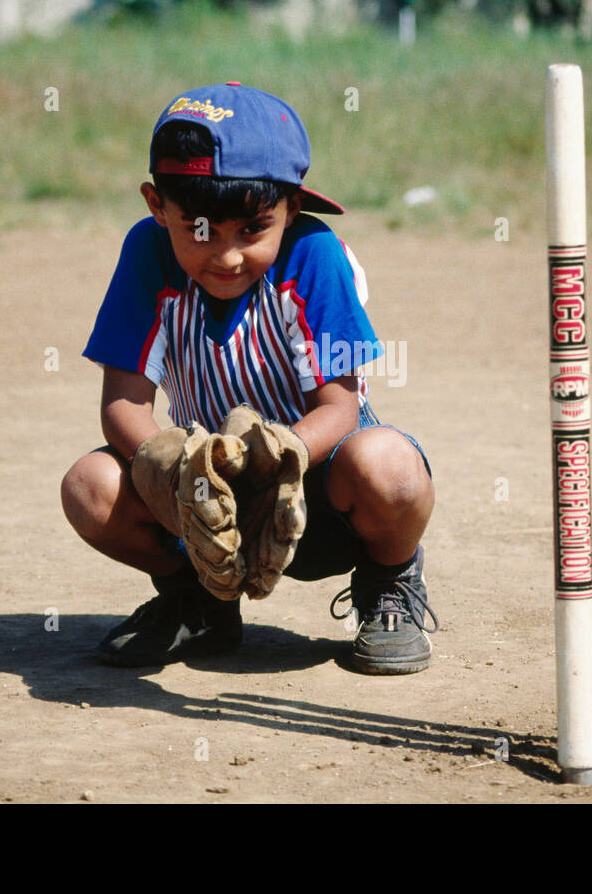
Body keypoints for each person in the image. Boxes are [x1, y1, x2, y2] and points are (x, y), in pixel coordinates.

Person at [60, 82, 437, 675]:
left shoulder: (313, 253)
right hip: (205, 496)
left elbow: (339, 409)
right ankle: (198, 598)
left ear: (290, 208)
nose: (228, 255)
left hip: (313, 491)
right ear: (158, 206)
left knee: (389, 466)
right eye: (201, 230)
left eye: (252, 230)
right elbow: (123, 406)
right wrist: (184, 469)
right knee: (90, 485)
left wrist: (276, 460)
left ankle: (390, 582)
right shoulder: (146, 253)